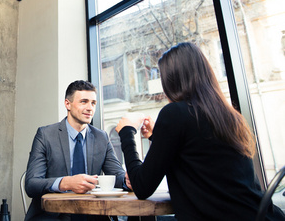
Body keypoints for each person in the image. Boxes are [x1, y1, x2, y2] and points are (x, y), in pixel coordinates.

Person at [116, 42, 285, 221]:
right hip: (261, 215)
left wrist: (127, 132)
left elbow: (142, 187)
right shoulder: (228, 115)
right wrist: (158, 135)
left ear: (172, 79)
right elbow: (199, 155)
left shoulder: (174, 113)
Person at [25, 80, 127, 221]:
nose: (90, 108)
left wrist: (128, 181)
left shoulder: (101, 137)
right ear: (68, 104)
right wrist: (66, 183)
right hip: (54, 215)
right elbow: (31, 184)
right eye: (83, 102)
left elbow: (117, 175)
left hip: (93, 213)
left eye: (93, 103)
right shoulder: (45, 135)